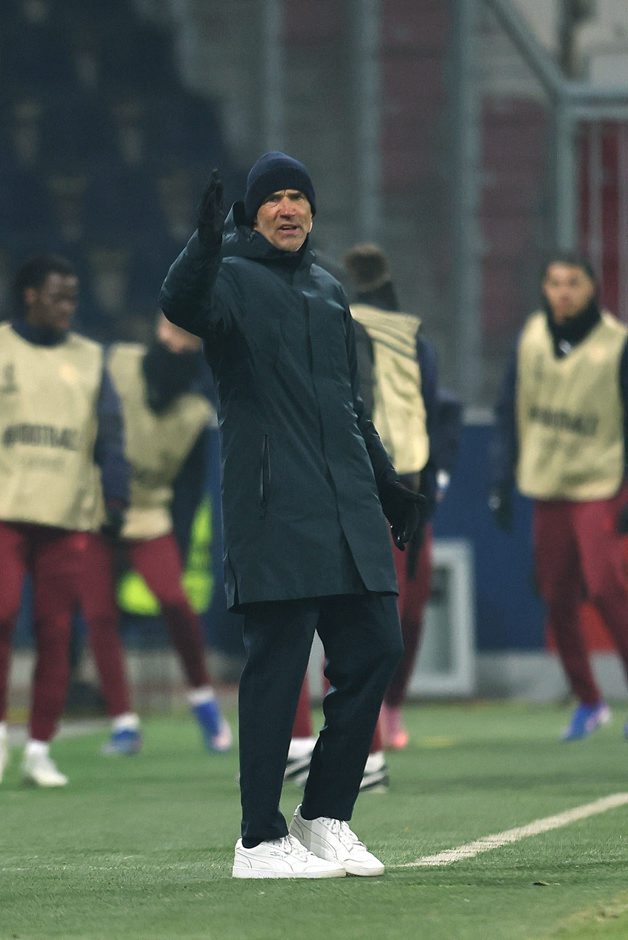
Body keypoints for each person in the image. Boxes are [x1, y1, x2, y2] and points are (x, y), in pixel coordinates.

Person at [159, 151, 424, 879]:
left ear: (312, 210)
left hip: (346, 507)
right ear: (252, 214)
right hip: (275, 507)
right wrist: (202, 243)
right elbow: (181, 305)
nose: (288, 208)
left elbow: (348, 403)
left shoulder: (329, 290)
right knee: (278, 673)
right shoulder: (226, 277)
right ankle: (257, 840)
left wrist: (387, 483)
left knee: (377, 649)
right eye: (273, 198)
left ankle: (325, 817)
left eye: (297, 197)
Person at [284, 246, 461, 784]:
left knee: (329, 622)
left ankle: (346, 749)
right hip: (354, 483)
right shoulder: (389, 333)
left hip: (350, 485)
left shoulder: (334, 328)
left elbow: (362, 413)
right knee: (333, 623)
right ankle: (331, 749)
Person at [0, 254, 129, 787]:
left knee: (56, 632)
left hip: (67, 515)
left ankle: (38, 749)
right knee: (2, 615)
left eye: (73, 297)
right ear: (30, 295)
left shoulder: (91, 358)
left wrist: (116, 498)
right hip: (7, 511)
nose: (67, 306)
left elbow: (111, 435)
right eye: (57, 296)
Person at [489, 251, 628, 741]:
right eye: (554, 282)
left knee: (608, 587)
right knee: (556, 595)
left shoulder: (617, 343)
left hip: (599, 483)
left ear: (592, 288)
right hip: (547, 483)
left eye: (573, 282)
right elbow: (508, 407)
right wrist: (500, 479)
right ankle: (589, 701)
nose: (563, 292)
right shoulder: (530, 338)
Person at [80, 313, 232, 755]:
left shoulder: (196, 410)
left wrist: (179, 545)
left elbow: (188, 490)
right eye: (171, 332)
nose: (175, 344)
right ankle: (123, 723)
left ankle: (204, 703)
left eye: (187, 337)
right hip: (95, 507)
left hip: (149, 513)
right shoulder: (117, 363)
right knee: (99, 615)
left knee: (175, 602)